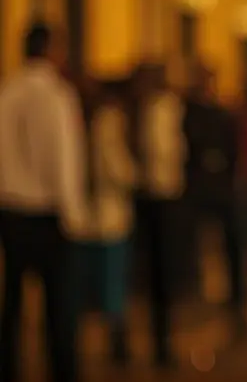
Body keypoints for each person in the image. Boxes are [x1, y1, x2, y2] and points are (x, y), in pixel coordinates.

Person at [0, 24, 87, 382]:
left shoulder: (8, 91)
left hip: (10, 209)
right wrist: (73, 214)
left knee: (12, 304)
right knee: (59, 305)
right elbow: (62, 159)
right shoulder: (56, 95)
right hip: (46, 212)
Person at [76, 77, 138, 364]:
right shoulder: (109, 123)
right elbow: (117, 167)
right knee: (112, 284)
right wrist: (136, 176)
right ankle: (118, 346)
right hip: (109, 215)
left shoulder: (87, 121)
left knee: (98, 283)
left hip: (92, 216)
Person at [182, 65, 244, 333]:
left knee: (230, 243)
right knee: (196, 242)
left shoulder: (222, 115)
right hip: (197, 189)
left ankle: (234, 297)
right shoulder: (188, 114)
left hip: (220, 188)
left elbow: (232, 149)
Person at [131, 62, 186, 368]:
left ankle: (162, 339)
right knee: (153, 272)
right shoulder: (144, 111)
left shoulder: (167, 109)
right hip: (149, 197)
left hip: (164, 197)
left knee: (163, 272)